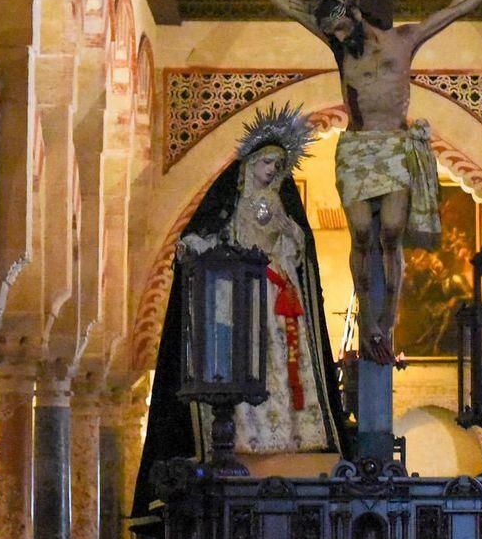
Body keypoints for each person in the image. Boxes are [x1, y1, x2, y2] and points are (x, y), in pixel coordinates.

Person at [215, 0, 482, 364]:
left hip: (396, 147)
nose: (340, 37)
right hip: (357, 149)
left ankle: (389, 320)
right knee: (363, 234)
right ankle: (369, 322)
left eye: (343, 28)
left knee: (391, 233)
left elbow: (458, 7)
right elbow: (289, 6)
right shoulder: (338, 49)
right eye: (333, 33)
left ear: (353, 12)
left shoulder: (404, 41)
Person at [131, 105, 351, 517]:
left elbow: (297, 252)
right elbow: (203, 237)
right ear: (249, 163)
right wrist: (198, 247)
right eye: (266, 162)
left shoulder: (282, 210)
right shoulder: (229, 206)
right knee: (246, 359)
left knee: (283, 364)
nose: (271, 171)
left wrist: (291, 239)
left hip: (277, 297)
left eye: (277, 165)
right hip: (243, 299)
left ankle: (291, 434)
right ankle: (243, 433)